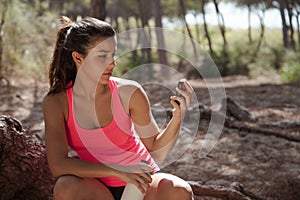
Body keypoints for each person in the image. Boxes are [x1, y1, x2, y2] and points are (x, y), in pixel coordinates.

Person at [43, 16, 194, 200]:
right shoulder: (57, 103)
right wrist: (119, 171)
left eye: (113, 54)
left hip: (140, 183)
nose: (112, 63)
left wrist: (177, 117)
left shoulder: (128, 92)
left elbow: (156, 149)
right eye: (102, 56)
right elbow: (59, 165)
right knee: (65, 187)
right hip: (96, 188)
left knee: (178, 190)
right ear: (78, 58)